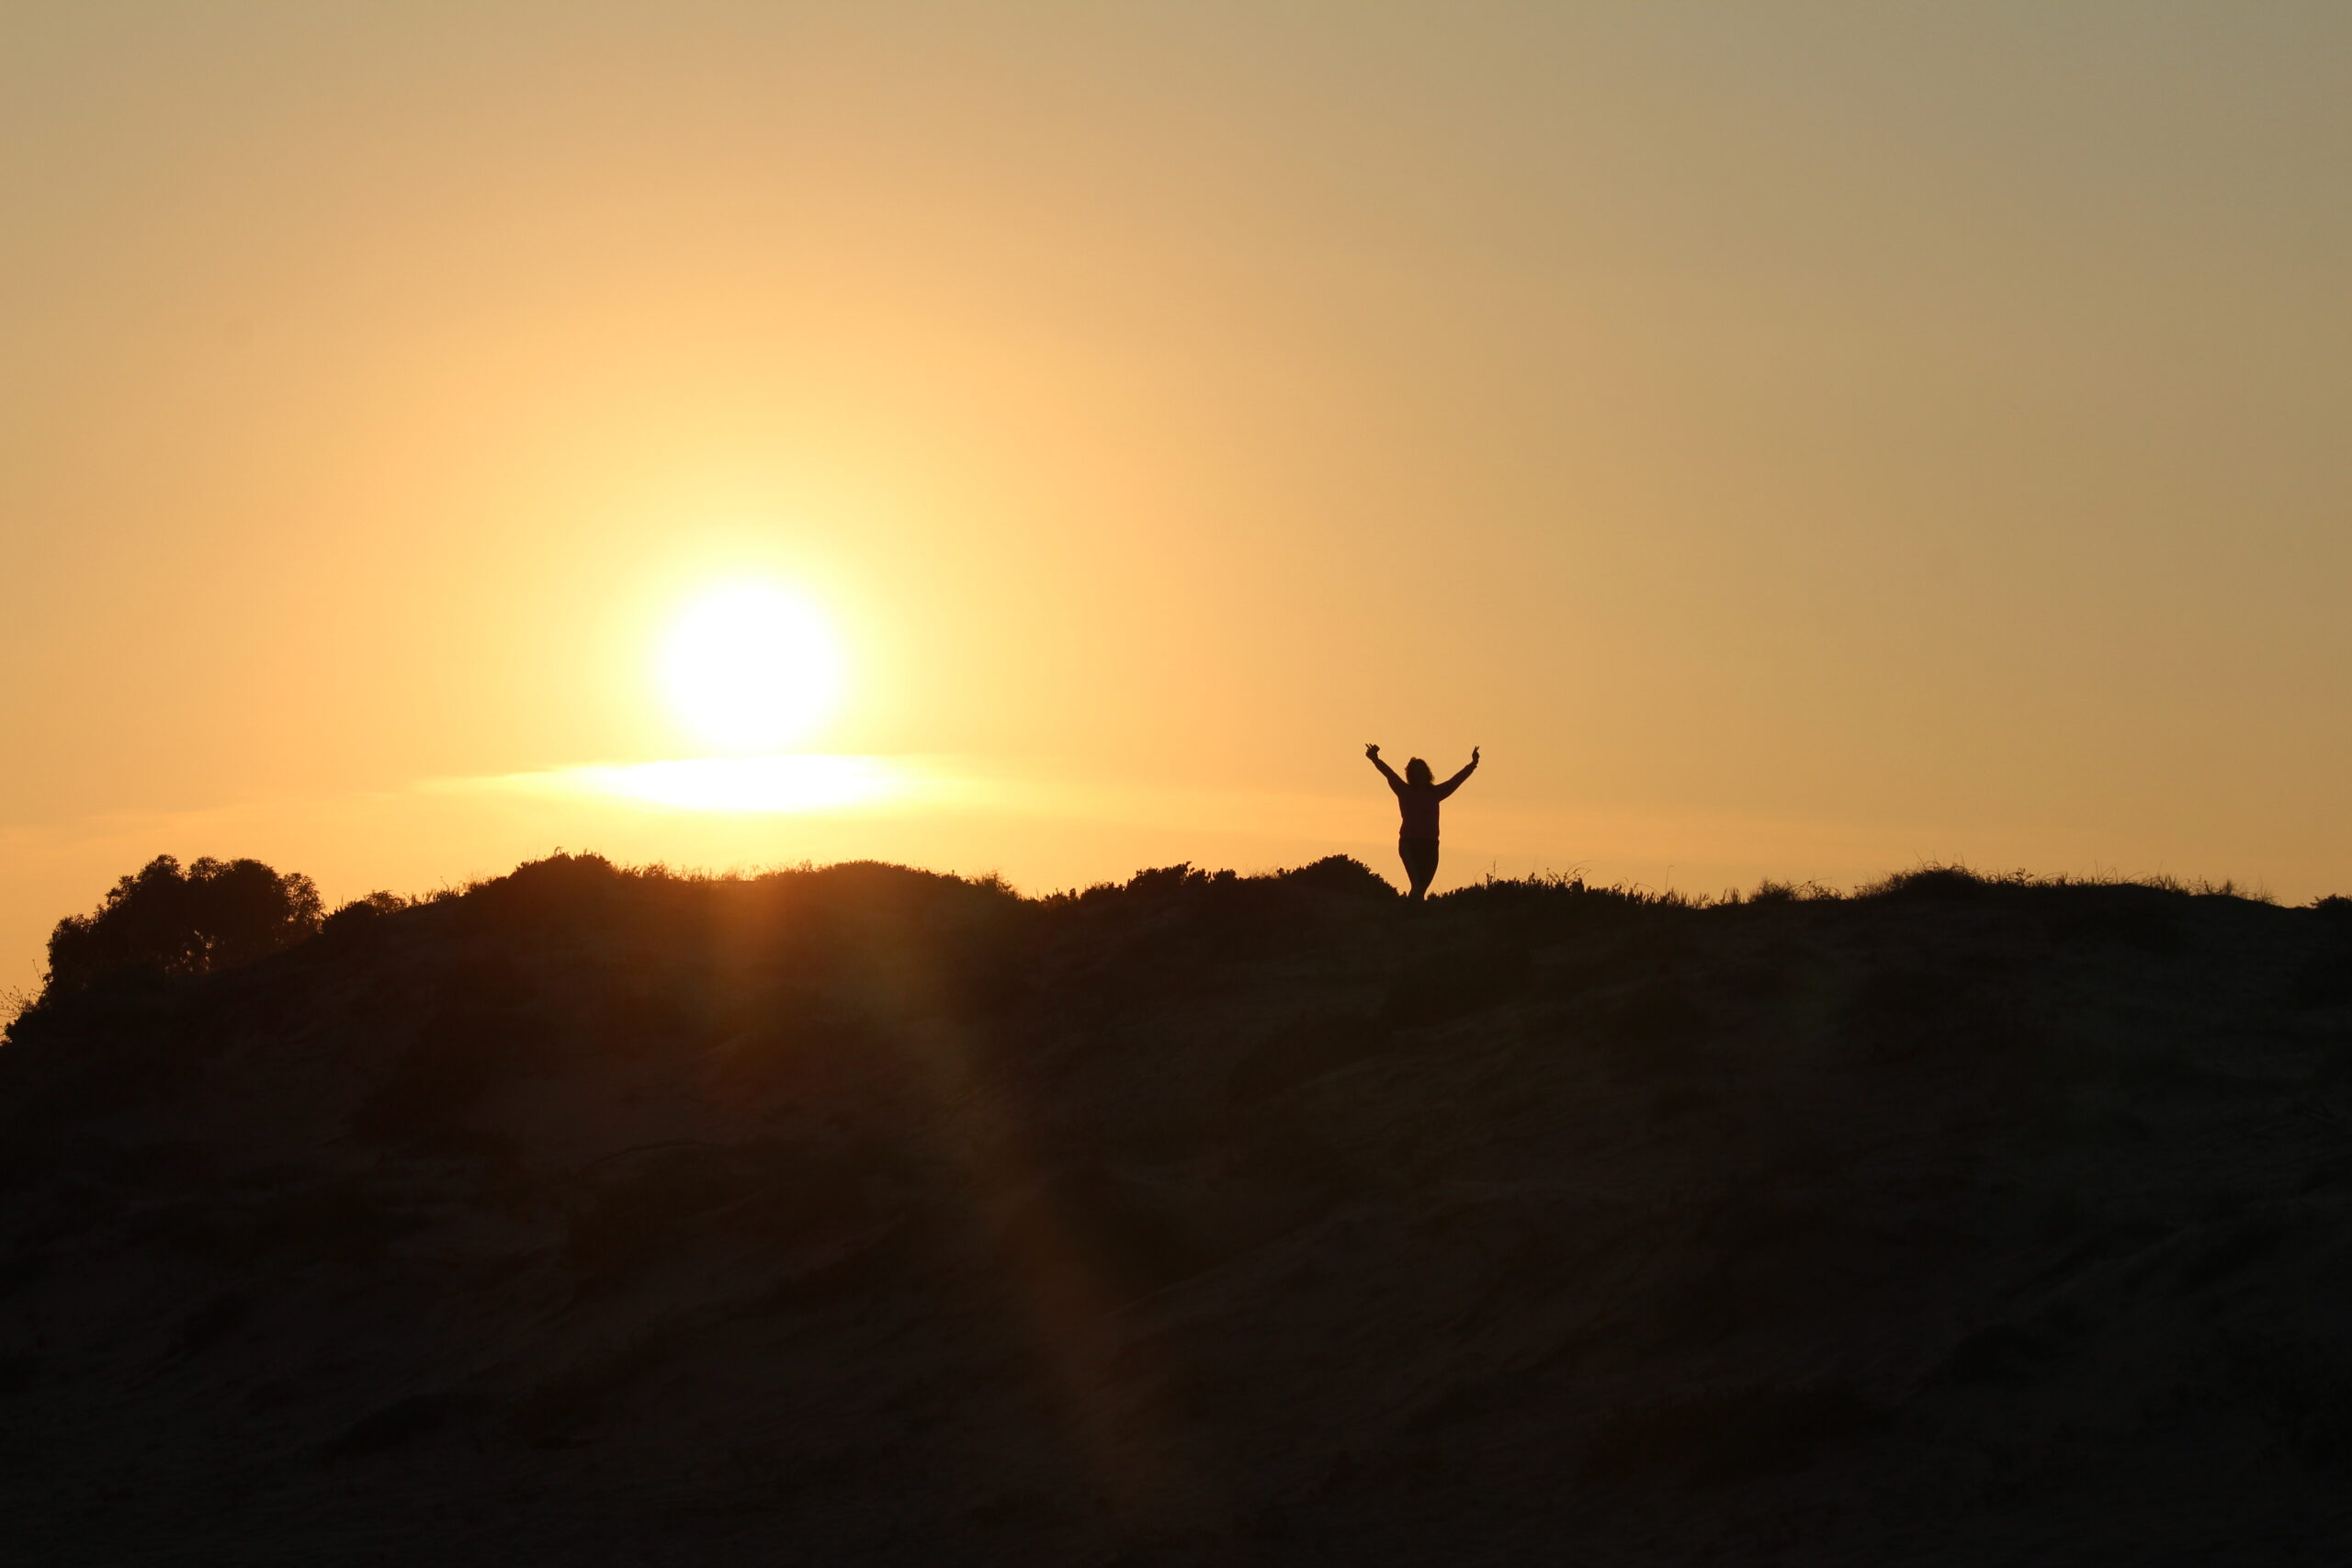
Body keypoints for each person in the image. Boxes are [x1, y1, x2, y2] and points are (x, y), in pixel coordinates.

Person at [1365, 743, 1478, 901]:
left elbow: (1455, 781)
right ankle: (1410, 916)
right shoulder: (1404, 791)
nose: (1420, 775)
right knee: (1417, 885)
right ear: (1411, 775)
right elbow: (1389, 774)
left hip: (1431, 845)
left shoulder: (1436, 793)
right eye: (1416, 773)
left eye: (1422, 772)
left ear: (1427, 774)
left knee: (1422, 889)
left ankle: (1413, 916)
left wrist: (1472, 765)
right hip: (1409, 844)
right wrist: (1375, 759)